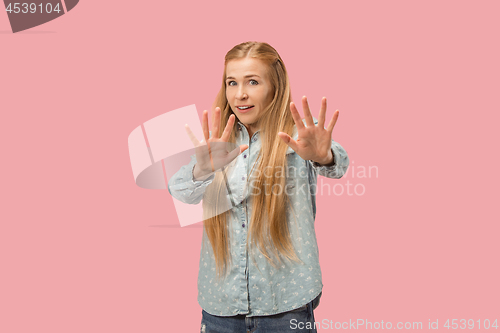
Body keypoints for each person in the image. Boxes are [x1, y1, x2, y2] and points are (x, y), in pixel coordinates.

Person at [167, 41, 349, 333]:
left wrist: (322, 156)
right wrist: (202, 169)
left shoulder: (299, 133)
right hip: (221, 306)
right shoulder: (218, 138)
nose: (240, 94)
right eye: (232, 82)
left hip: (286, 302)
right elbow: (180, 192)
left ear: (275, 86)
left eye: (253, 81)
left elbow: (338, 164)